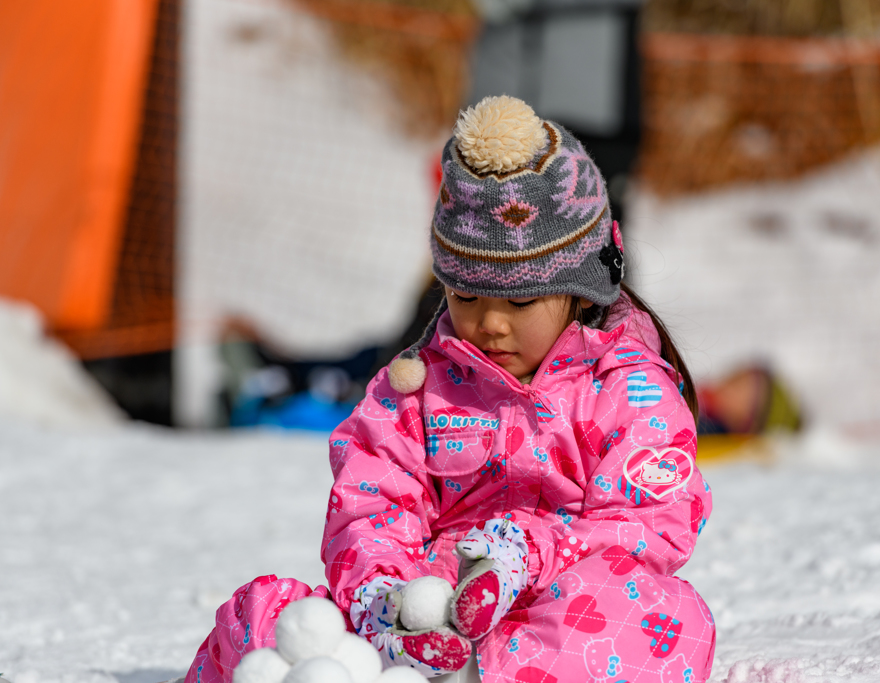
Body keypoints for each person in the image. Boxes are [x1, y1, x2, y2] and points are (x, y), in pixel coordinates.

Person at [184, 95, 716, 683]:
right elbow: (373, 503)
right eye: (465, 295)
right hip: (419, 620)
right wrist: (384, 598)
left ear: (582, 288)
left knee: (667, 620)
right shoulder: (416, 391)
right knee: (262, 614)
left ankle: (475, 676)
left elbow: (646, 524)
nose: (490, 323)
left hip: (558, 608)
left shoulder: (627, 390)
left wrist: (526, 553)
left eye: (519, 301)